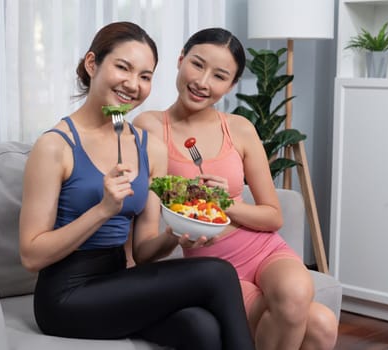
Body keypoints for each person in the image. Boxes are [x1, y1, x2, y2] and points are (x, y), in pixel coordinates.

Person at [19, 21, 255, 350]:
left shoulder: (148, 146)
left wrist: (174, 231)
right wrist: (102, 210)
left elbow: (143, 253)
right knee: (217, 273)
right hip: (65, 295)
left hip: (119, 278)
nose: (133, 84)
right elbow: (31, 255)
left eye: (145, 76)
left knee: (202, 330)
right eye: (123, 68)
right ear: (92, 64)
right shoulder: (56, 146)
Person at [133, 27, 339, 350]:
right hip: (214, 266)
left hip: (264, 250)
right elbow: (142, 246)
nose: (203, 82)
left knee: (302, 298)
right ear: (180, 59)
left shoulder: (240, 129)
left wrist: (225, 204)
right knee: (321, 326)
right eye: (197, 65)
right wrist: (173, 231)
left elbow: (272, 217)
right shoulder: (151, 127)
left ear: (230, 85)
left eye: (219, 76)